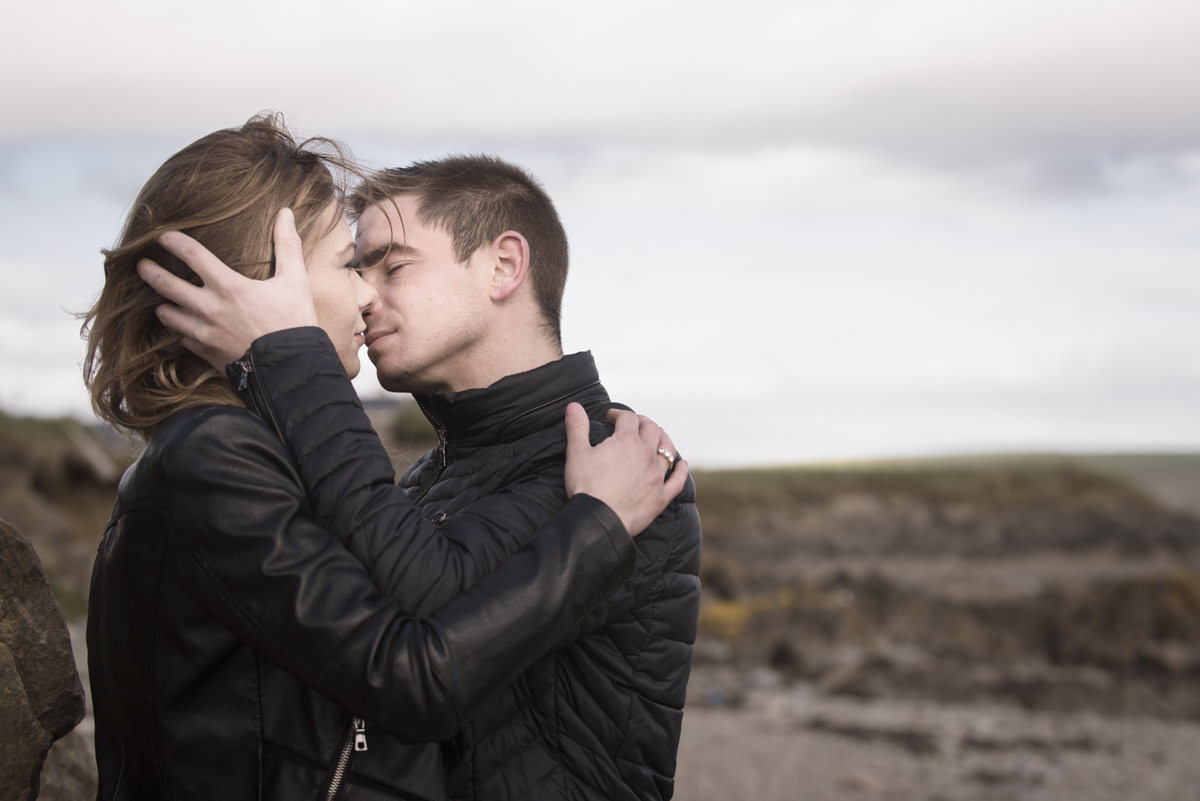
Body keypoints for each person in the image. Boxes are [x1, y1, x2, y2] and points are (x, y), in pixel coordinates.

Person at [82, 115, 688, 801]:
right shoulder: (230, 453)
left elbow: (423, 624)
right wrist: (284, 353)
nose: (368, 295)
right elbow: (412, 667)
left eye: (390, 265)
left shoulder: (619, 465)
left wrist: (283, 355)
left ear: (504, 265)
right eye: (351, 265)